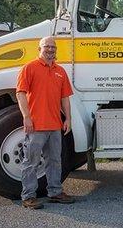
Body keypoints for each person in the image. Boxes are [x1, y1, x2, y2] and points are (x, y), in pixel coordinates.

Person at [16, 36, 75, 209]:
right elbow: (20, 94)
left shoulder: (60, 71)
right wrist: (26, 117)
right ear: (39, 49)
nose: (50, 50)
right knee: (31, 162)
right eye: (47, 46)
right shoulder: (29, 68)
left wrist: (68, 119)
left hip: (55, 126)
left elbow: (65, 98)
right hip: (35, 126)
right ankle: (28, 197)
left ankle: (55, 192)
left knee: (55, 160)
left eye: (53, 47)